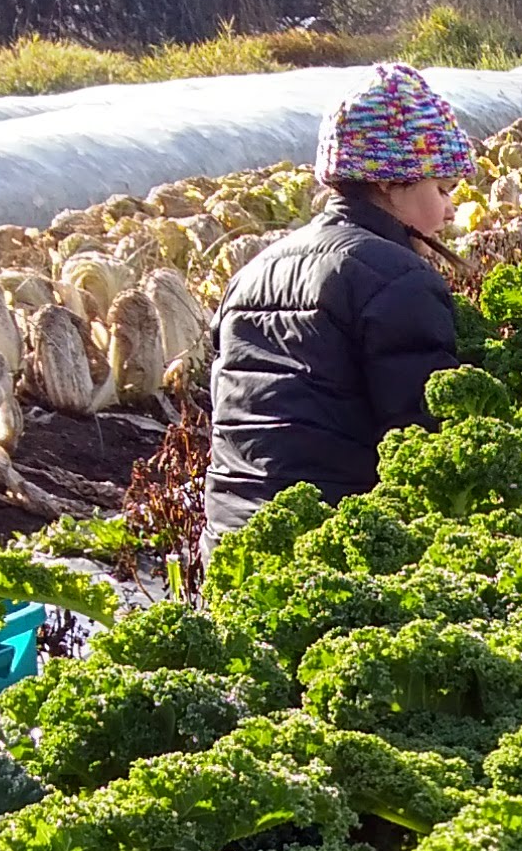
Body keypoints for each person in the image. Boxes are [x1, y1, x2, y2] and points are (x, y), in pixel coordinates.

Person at [200, 60, 477, 553]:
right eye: (442, 189)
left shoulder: (252, 272)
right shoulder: (397, 278)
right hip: (328, 545)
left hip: (227, 541)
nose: (451, 210)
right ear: (389, 181)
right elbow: (424, 441)